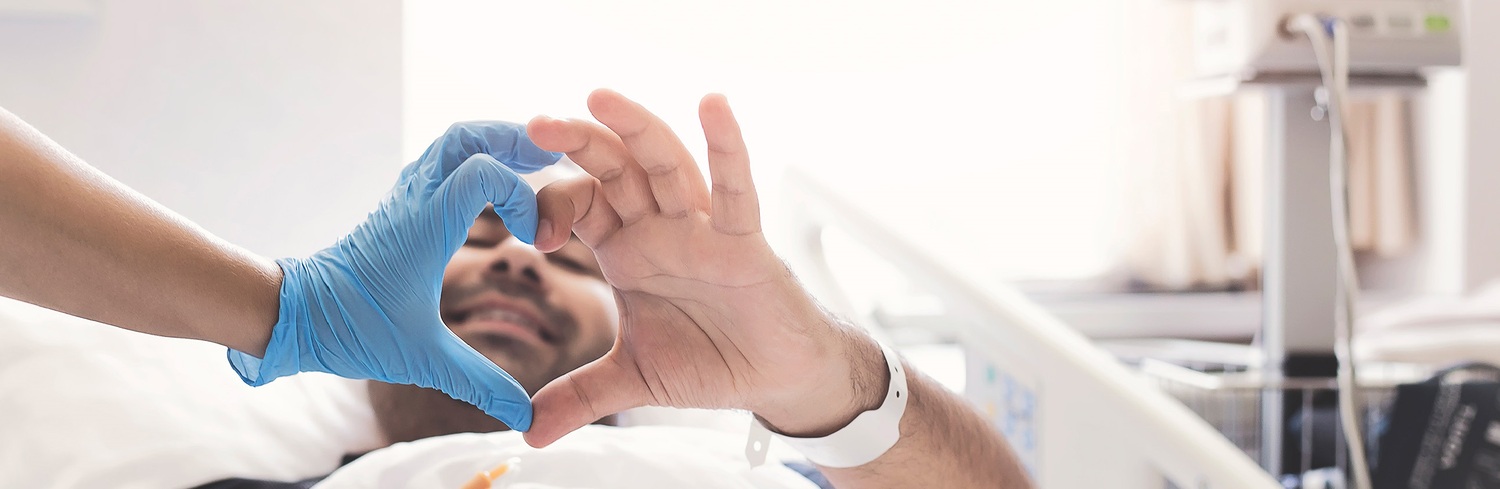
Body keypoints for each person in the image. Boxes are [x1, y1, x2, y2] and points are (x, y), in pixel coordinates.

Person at [0, 89, 1033, 488]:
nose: (512, 260)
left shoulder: (753, 473)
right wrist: (288, 308)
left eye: (567, 261)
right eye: (475, 245)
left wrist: (826, 381)